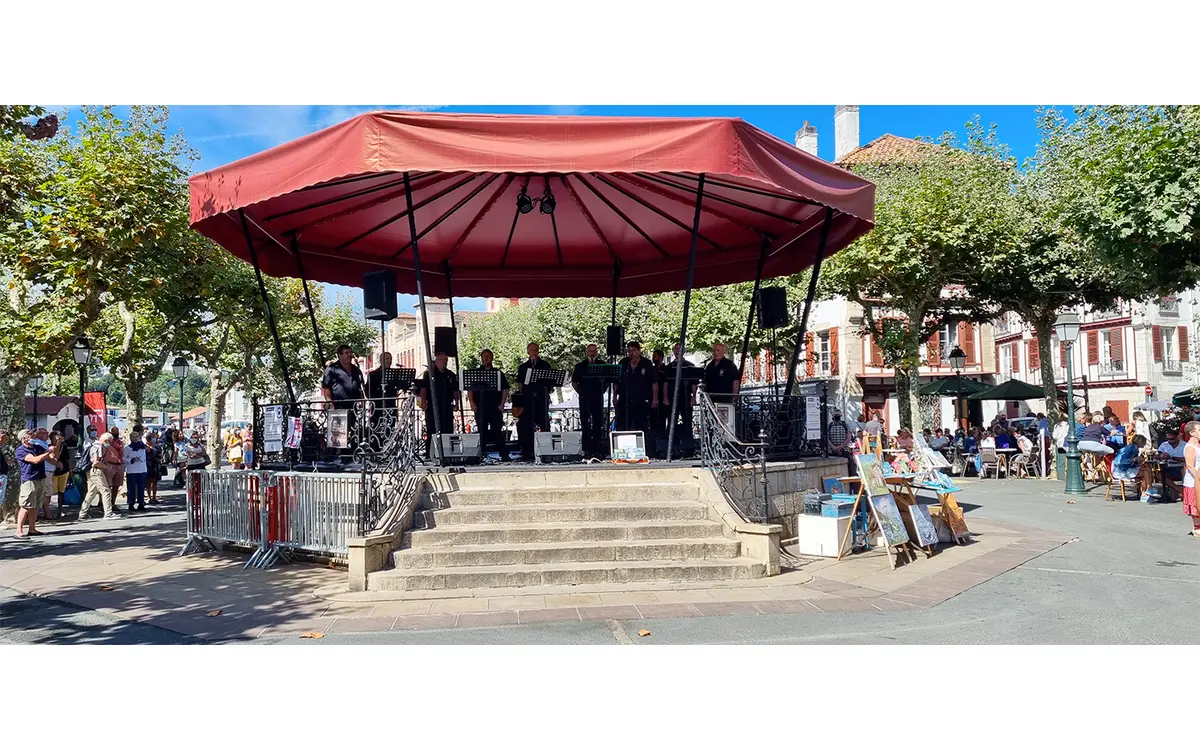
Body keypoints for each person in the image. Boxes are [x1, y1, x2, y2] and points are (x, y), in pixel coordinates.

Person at [469, 348, 510, 461]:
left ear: (492, 358)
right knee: (481, 431)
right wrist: (472, 402)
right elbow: (470, 389)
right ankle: (480, 454)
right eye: (484, 356)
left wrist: (502, 403)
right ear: (481, 358)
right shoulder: (476, 373)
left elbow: (505, 389)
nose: (486, 358)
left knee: (497, 430)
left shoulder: (498, 373)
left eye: (488, 356)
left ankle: (504, 454)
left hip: (495, 406)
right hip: (480, 407)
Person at [418, 351, 460, 459]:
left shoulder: (450, 374)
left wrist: (456, 403)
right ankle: (430, 453)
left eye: (445, 360)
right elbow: (424, 389)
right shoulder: (429, 374)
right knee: (431, 429)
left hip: (446, 405)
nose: (444, 363)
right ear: (436, 361)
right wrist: (423, 402)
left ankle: (447, 453)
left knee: (447, 429)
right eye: (441, 360)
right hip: (432, 406)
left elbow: (455, 390)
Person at [516, 342, 553, 459]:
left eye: (536, 349)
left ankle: (546, 448)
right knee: (525, 424)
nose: (534, 351)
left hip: (541, 399)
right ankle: (526, 449)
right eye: (531, 349)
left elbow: (550, 383)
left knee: (544, 423)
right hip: (528, 400)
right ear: (528, 351)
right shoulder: (523, 367)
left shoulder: (545, 365)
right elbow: (520, 384)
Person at [13, 429, 52, 538]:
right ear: (25, 438)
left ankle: (32, 529)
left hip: (41, 478)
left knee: (35, 505)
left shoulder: (37, 447)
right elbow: (34, 460)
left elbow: (49, 456)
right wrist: (48, 452)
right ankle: (19, 531)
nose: (34, 436)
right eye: (31, 435)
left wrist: (52, 447)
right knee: (26, 505)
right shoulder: (21, 450)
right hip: (29, 480)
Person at [571, 343, 606, 458]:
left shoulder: (602, 365)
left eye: (594, 351)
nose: (592, 353)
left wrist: (602, 391)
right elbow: (574, 382)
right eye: (590, 351)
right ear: (587, 352)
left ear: (597, 352)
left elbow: (607, 381)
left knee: (598, 422)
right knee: (584, 422)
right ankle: (586, 448)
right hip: (584, 398)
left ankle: (598, 448)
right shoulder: (580, 366)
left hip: (597, 397)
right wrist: (581, 392)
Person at [616, 340, 656, 433]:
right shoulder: (624, 363)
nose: (631, 353)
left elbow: (654, 382)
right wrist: (615, 397)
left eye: (633, 350)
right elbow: (616, 381)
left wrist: (655, 398)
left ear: (639, 350)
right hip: (625, 399)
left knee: (641, 425)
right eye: (629, 350)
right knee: (623, 424)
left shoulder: (646, 363)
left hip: (641, 400)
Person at [77, 432, 119, 521]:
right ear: (106, 440)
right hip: (96, 471)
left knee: (91, 492)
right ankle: (108, 513)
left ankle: (83, 513)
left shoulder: (94, 445)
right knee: (106, 491)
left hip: (90, 471)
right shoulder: (98, 447)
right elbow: (95, 462)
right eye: (110, 442)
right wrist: (106, 467)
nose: (110, 444)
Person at [666, 343, 699, 436]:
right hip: (672, 397)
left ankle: (688, 445)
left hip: (686, 396)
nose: (677, 351)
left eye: (679, 349)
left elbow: (694, 383)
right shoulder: (670, 366)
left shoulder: (690, 366)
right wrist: (665, 397)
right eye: (675, 349)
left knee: (687, 421)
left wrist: (693, 396)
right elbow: (666, 383)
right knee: (672, 421)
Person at [322, 344, 366, 410]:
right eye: (346, 353)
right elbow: (326, 388)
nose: (349, 355)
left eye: (351, 352)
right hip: (338, 407)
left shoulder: (356, 370)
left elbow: (361, 386)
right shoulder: (331, 369)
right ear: (340, 355)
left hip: (354, 407)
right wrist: (330, 403)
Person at [124, 426, 149, 512]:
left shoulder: (142, 447)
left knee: (141, 487)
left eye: (136, 437)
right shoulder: (127, 448)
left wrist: (140, 458)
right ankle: (131, 503)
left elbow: (144, 457)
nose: (135, 438)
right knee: (131, 488)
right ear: (130, 438)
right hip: (132, 470)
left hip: (142, 469)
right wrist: (131, 460)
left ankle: (141, 503)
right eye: (133, 437)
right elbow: (124, 459)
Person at [1183, 421, 1200, 537]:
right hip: (1193, 480)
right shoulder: (1190, 447)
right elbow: (1190, 466)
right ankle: (1196, 527)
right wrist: (1198, 478)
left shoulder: (1198, 445)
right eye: (1199, 430)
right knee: (1195, 503)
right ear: (1192, 433)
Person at [145, 431, 162, 505]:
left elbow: (161, 455)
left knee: (155, 482)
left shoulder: (157, 446)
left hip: (156, 466)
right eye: (153, 437)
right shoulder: (145, 447)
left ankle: (154, 497)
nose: (154, 438)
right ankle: (149, 497)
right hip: (148, 466)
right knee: (148, 482)